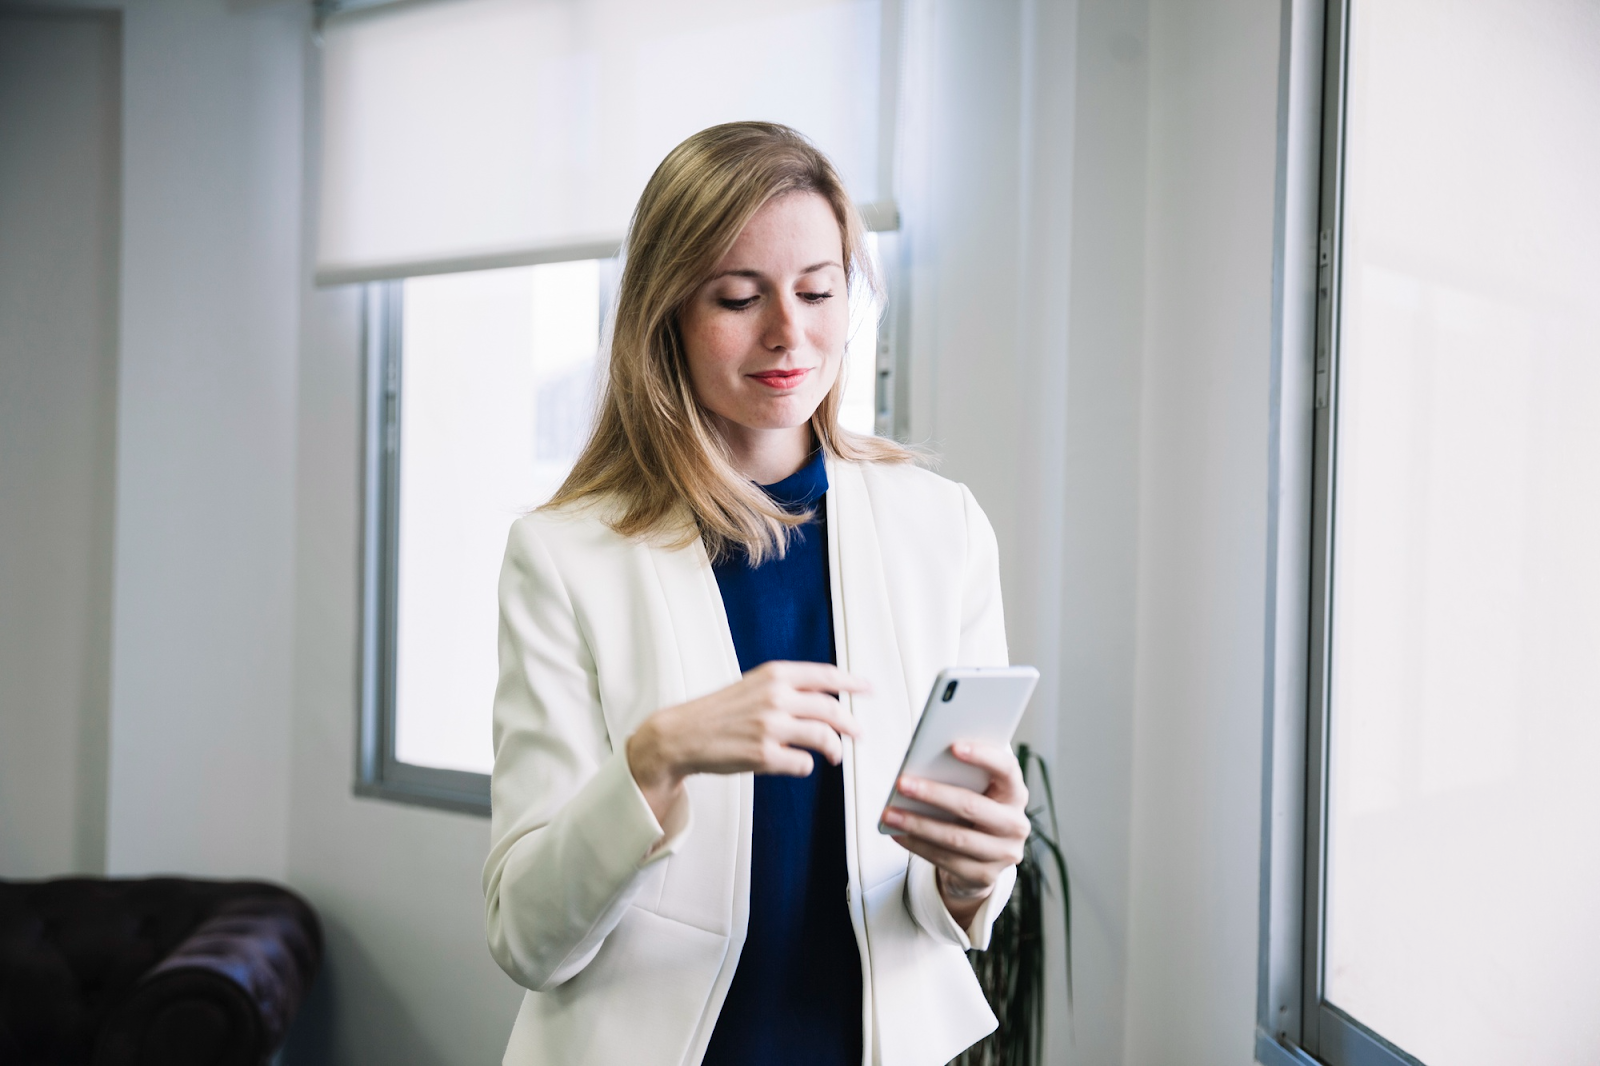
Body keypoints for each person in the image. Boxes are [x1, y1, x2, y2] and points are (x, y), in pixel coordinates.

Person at [483, 121, 1030, 1066]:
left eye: (818, 290)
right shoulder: (562, 556)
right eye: (739, 297)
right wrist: (655, 761)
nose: (789, 332)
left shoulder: (944, 531)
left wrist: (975, 878)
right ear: (666, 315)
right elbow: (527, 936)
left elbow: (944, 888)